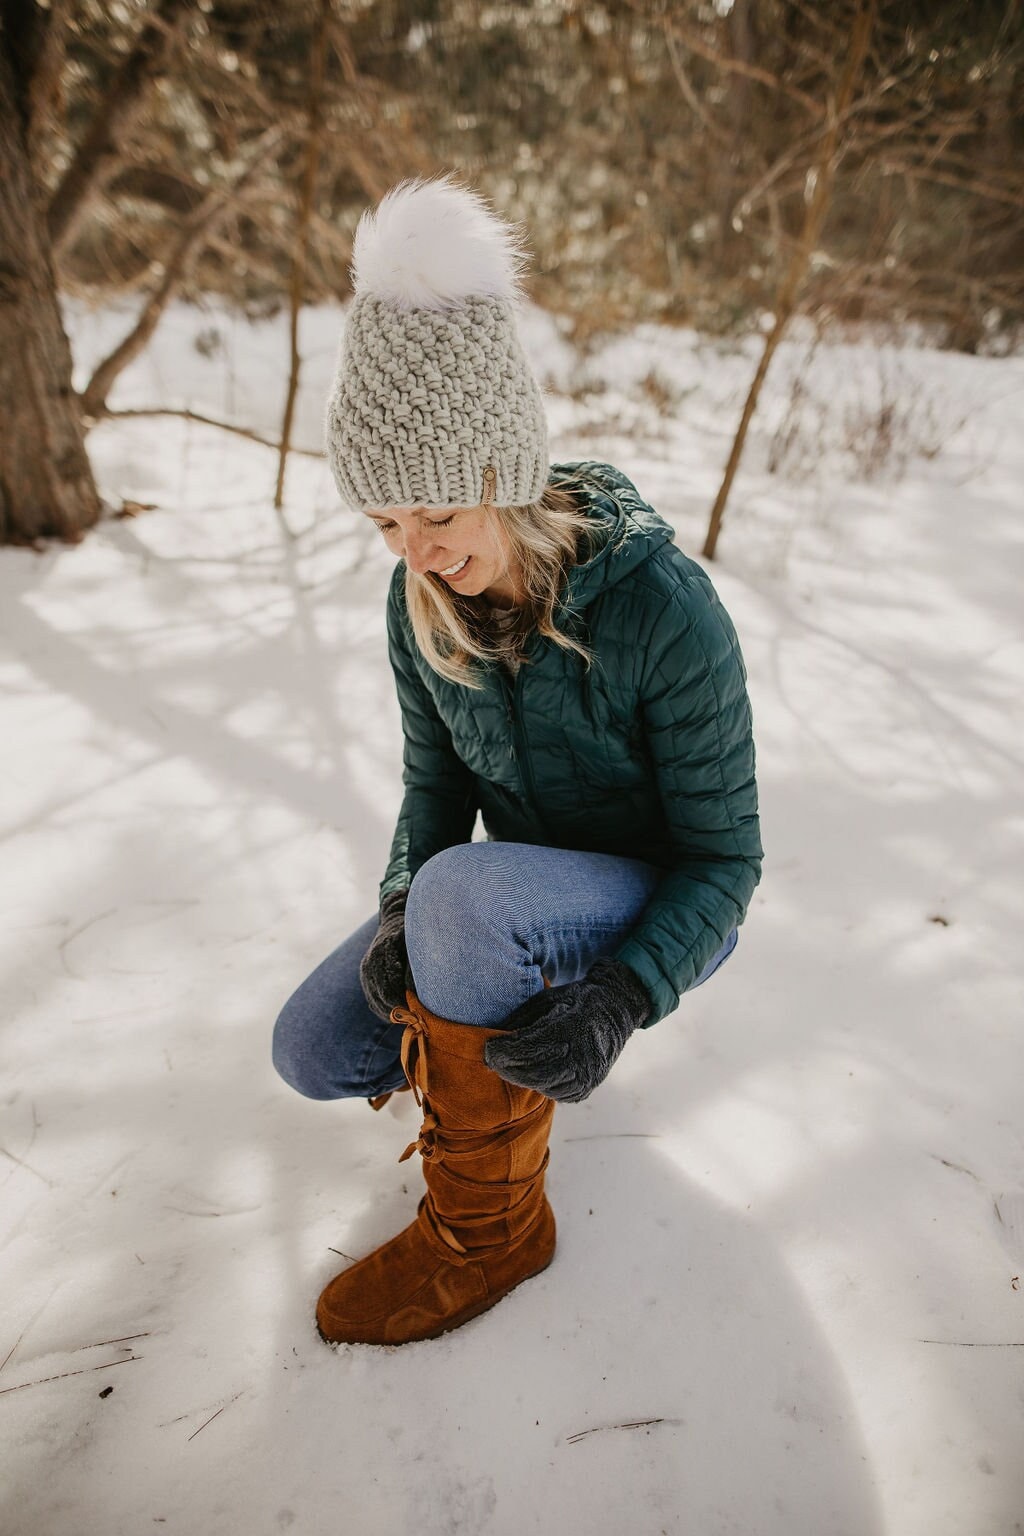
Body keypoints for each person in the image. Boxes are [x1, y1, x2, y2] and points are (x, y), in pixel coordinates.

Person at [272, 175, 762, 1347]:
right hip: (512, 898)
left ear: (504, 469)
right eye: (384, 524)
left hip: (658, 893)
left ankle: (489, 1233)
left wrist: (622, 993)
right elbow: (434, 792)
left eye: (435, 511)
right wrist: (400, 913)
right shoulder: (421, 604)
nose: (416, 551)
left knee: (464, 897)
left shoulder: (660, 609)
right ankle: (481, 1026)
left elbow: (726, 859)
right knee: (313, 1049)